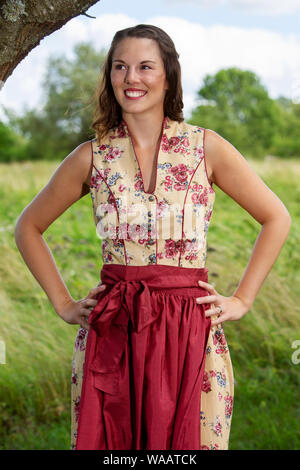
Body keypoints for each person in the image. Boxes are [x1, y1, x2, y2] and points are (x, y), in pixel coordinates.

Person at [14, 24, 291, 451]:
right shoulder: (92, 156)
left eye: (145, 66)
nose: (131, 78)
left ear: (168, 75)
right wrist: (64, 305)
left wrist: (243, 299)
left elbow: (276, 217)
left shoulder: (206, 148)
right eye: (120, 67)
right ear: (110, 76)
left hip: (189, 328)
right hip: (115, 327)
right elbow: (27, 227)